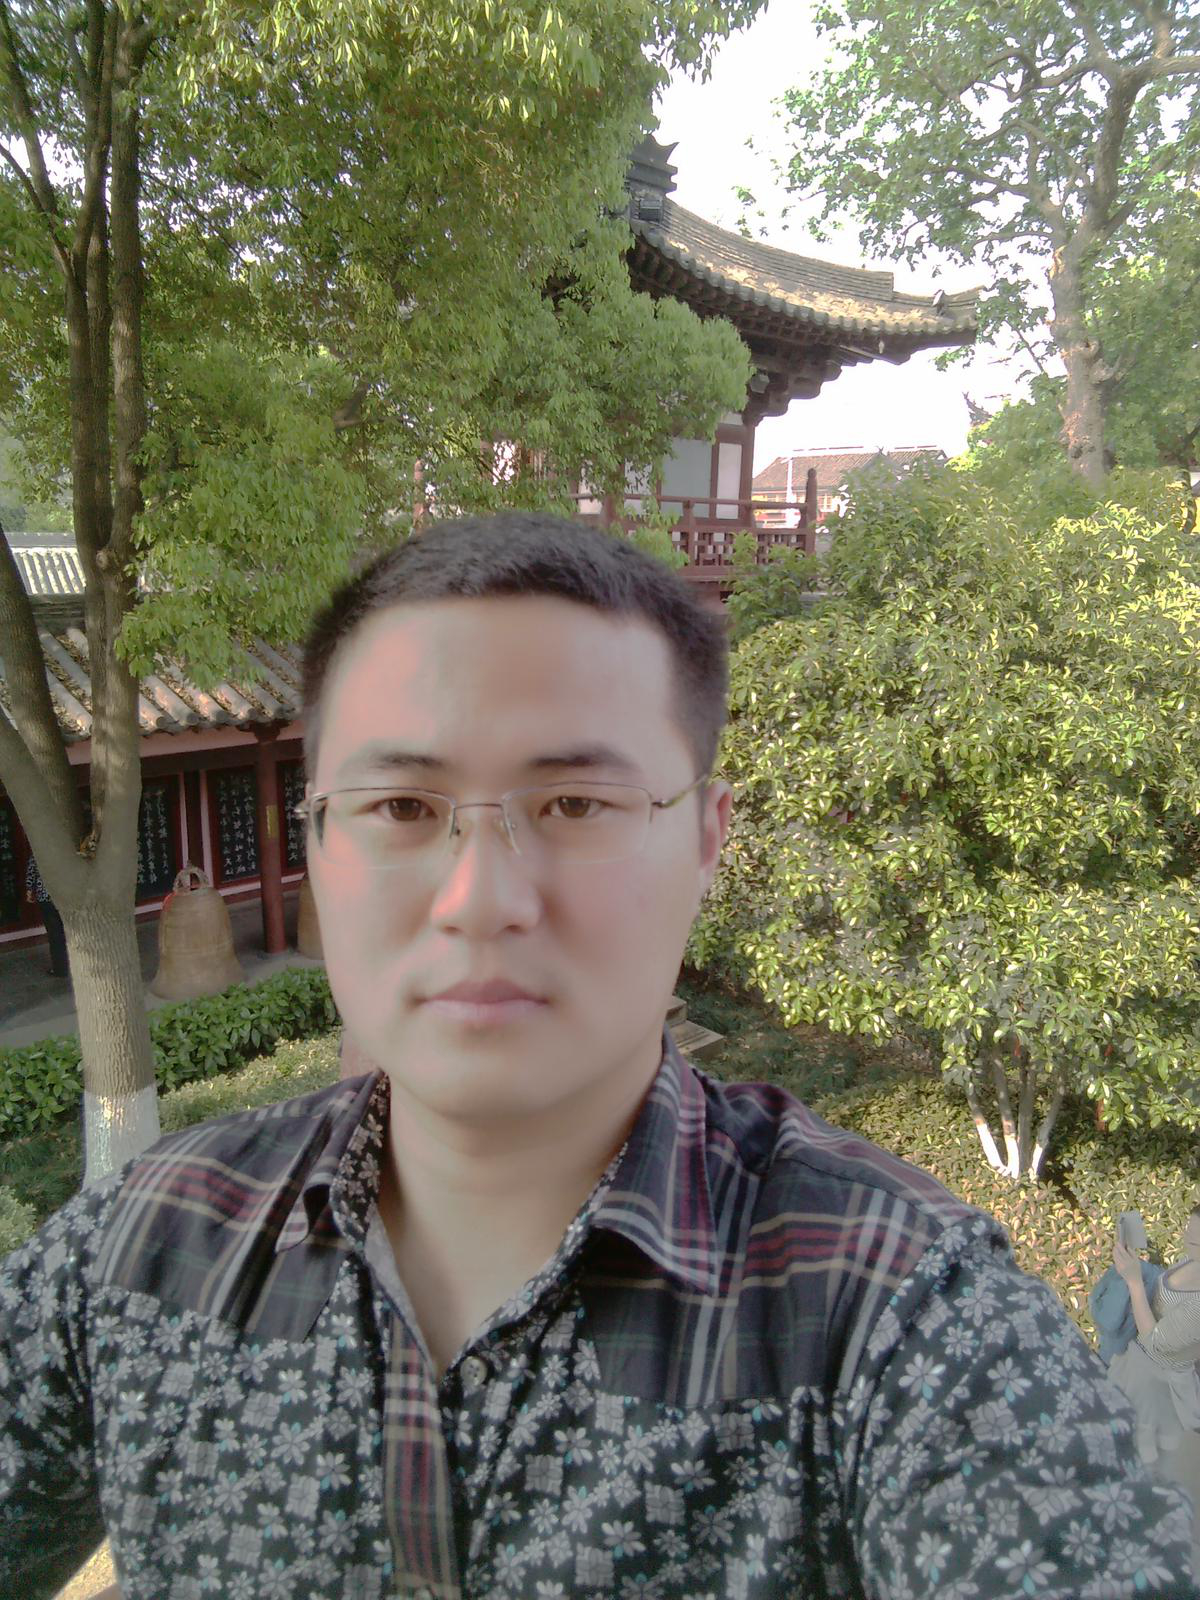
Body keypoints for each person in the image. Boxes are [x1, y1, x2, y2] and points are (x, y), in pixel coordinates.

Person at [1, 511, 1197, 1600]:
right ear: (317, 837)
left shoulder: (896, 1312)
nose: (480, 900)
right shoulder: (140, 1246)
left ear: (708, 841)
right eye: (402, 808)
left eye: (575, 804)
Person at [1111, 1207, 1200, 1562]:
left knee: (1148, 1467)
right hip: (1136, 1367)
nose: (1190, 1242)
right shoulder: (1190, 1261)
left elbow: (1158, 1343)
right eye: (1190, 1233)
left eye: (1198, 1241)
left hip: (1160, 1386)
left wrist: (1134, 1282)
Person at [23, 850, 69, 977]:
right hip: (65, 897)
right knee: (70, 932)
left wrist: (29, 891)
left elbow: (31, 871)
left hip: (46, 898)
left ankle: (61, 968)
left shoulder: (39, 849)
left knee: (55, 935)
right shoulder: (65, 850)